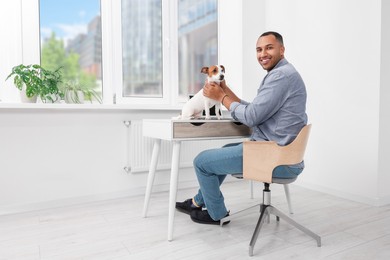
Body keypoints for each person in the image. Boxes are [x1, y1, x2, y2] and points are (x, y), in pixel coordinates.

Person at [176, 31, 308, 225]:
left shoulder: (280, 77)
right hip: (284, 155)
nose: (263, 54)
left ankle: (216, 214)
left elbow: (252, 117)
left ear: (282, 49)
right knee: (225, 150)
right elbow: (256, 109)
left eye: (269, 48)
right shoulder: (284, 74)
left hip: (273, 157)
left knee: (201, 162)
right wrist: (225, 90)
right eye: (259, 49)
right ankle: (198, 201)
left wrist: (221, 98)